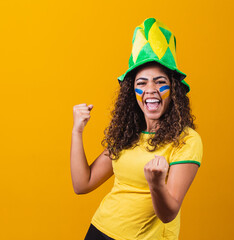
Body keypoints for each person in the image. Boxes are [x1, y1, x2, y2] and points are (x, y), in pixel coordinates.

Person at [71, 18, 203, 240]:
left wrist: (156, 184)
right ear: (132, 92)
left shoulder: (187, 140)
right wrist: (77, 132)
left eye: (159, 82)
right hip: (99, 231)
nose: (150, 89)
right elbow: (82, 184)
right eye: (141, 83)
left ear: (173, 90)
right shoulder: (127, 133)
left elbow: (169, 213)